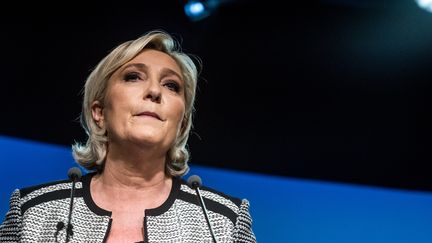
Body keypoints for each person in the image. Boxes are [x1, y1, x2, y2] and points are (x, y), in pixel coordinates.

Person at [0, 30, 256, 242]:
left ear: (182, 123)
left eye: (171, 86)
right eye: (133, 77)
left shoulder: (223, 222)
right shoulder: (32, 212)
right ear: (99, 112)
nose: (155, 91)